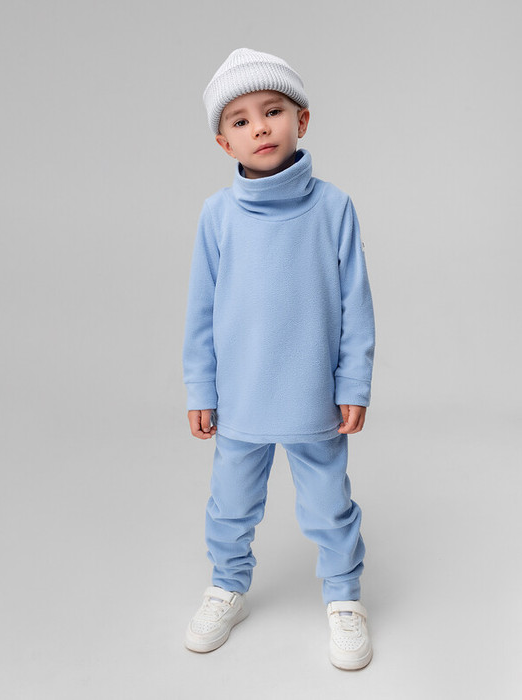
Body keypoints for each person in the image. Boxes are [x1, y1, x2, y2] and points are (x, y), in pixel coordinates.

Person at [181, 47, 376, 671]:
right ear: (223, 142)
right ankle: (226, 586)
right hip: (240, 395)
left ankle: (344, 597)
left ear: (303, 120)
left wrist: (354, 383)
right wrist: (200, 389)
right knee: (230, 503)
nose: (260, 127)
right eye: (240, 120)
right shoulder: (217, 216)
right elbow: (201, 311)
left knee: (328, 505)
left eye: (273, 111)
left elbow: (355, 304)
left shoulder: (333, 208)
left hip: (313, 394)